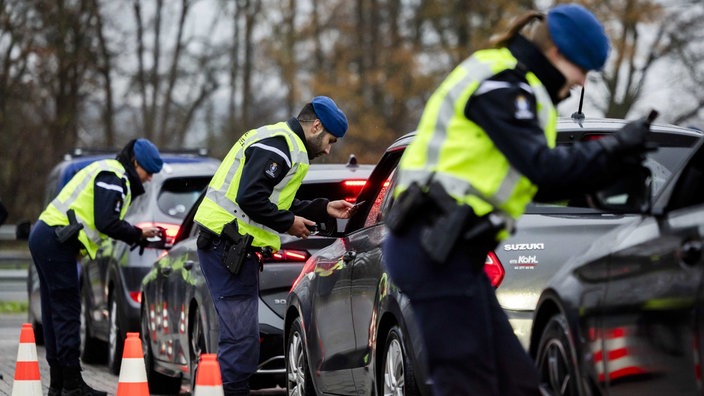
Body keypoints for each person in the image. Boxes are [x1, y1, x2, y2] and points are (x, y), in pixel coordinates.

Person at [382, 4, 654, 396]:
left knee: (517, 384)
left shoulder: (520, 89)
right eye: (582, 70)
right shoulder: (501, 84)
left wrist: (609, 169)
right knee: (467, 384)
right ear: (558, 54)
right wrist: (614, 148)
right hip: (432, 248)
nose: (581, 83)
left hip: (453, 252)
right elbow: (541, 167)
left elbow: (538, 182)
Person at [193, 96, 355, 395]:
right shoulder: (279, 145)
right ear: (316, 126)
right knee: (240, 341)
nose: (329, 149)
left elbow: (276, 200)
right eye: (330, 140)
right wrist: (288, 222)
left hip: (232, 248)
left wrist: (323, 208)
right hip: (226, 246)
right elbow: (251, 198)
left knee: (241, 340)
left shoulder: (281, 143)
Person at [29, 139, 164, 396]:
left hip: (51, 238)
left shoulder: (110, 172)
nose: (148, 179)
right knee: (67, 312)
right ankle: (72, 385)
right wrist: (137, 234)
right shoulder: (114, 176)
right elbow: (106, 222)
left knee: (54, 312)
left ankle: (58, 384)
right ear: (135, 163)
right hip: (56, 240)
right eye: (148, 172)